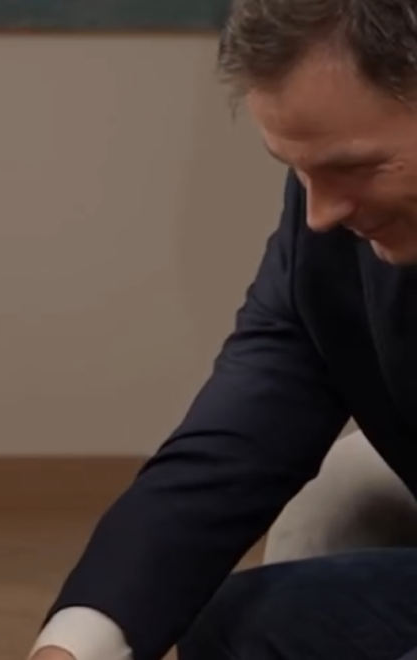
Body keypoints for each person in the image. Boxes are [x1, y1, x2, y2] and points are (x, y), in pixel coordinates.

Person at [24, 1, 417, 659]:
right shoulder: (327, 231)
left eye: (354, 168)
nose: (321, 214)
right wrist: (73, 648)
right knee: (236, 628)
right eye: (299, 169)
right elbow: (239, 439)